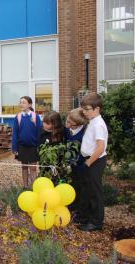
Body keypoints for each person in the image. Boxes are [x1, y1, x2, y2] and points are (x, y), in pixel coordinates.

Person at [78, 93, 108, 232]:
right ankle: (87, 218)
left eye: (87, 109)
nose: (84, 112)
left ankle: (96, 223)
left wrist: (89, 162)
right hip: (90, 160)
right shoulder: (93, 121)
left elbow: (101, 147)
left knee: (95, 192)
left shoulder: (98, 125)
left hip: (95, 161)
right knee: (88, 190)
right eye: (83, 109)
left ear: (97, 108)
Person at [11, 96, 42, 188]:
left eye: (24, 102)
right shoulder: (18, 117)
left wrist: (39, 146)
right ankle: (25, 186)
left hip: (33, 146)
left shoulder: (35, 116)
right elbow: (15, 133)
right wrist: (14, 147)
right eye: (20, 102)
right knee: (24, 167)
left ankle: (34, 187)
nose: (21, 104)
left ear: (29, 104)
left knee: (33, 168)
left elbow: (39, 132)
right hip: (22, 146)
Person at [64, 108, 88, 215]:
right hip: (70, 166)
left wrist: (75, 161)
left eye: (71, 123)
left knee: (80, 187)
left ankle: (79, 210)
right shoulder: (68, 131)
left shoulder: (84, 135)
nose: (67, 125)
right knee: (71, 185)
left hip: (80, 165)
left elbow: (84, 153)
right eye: (67, 121)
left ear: (78, 125)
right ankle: (71, 205)